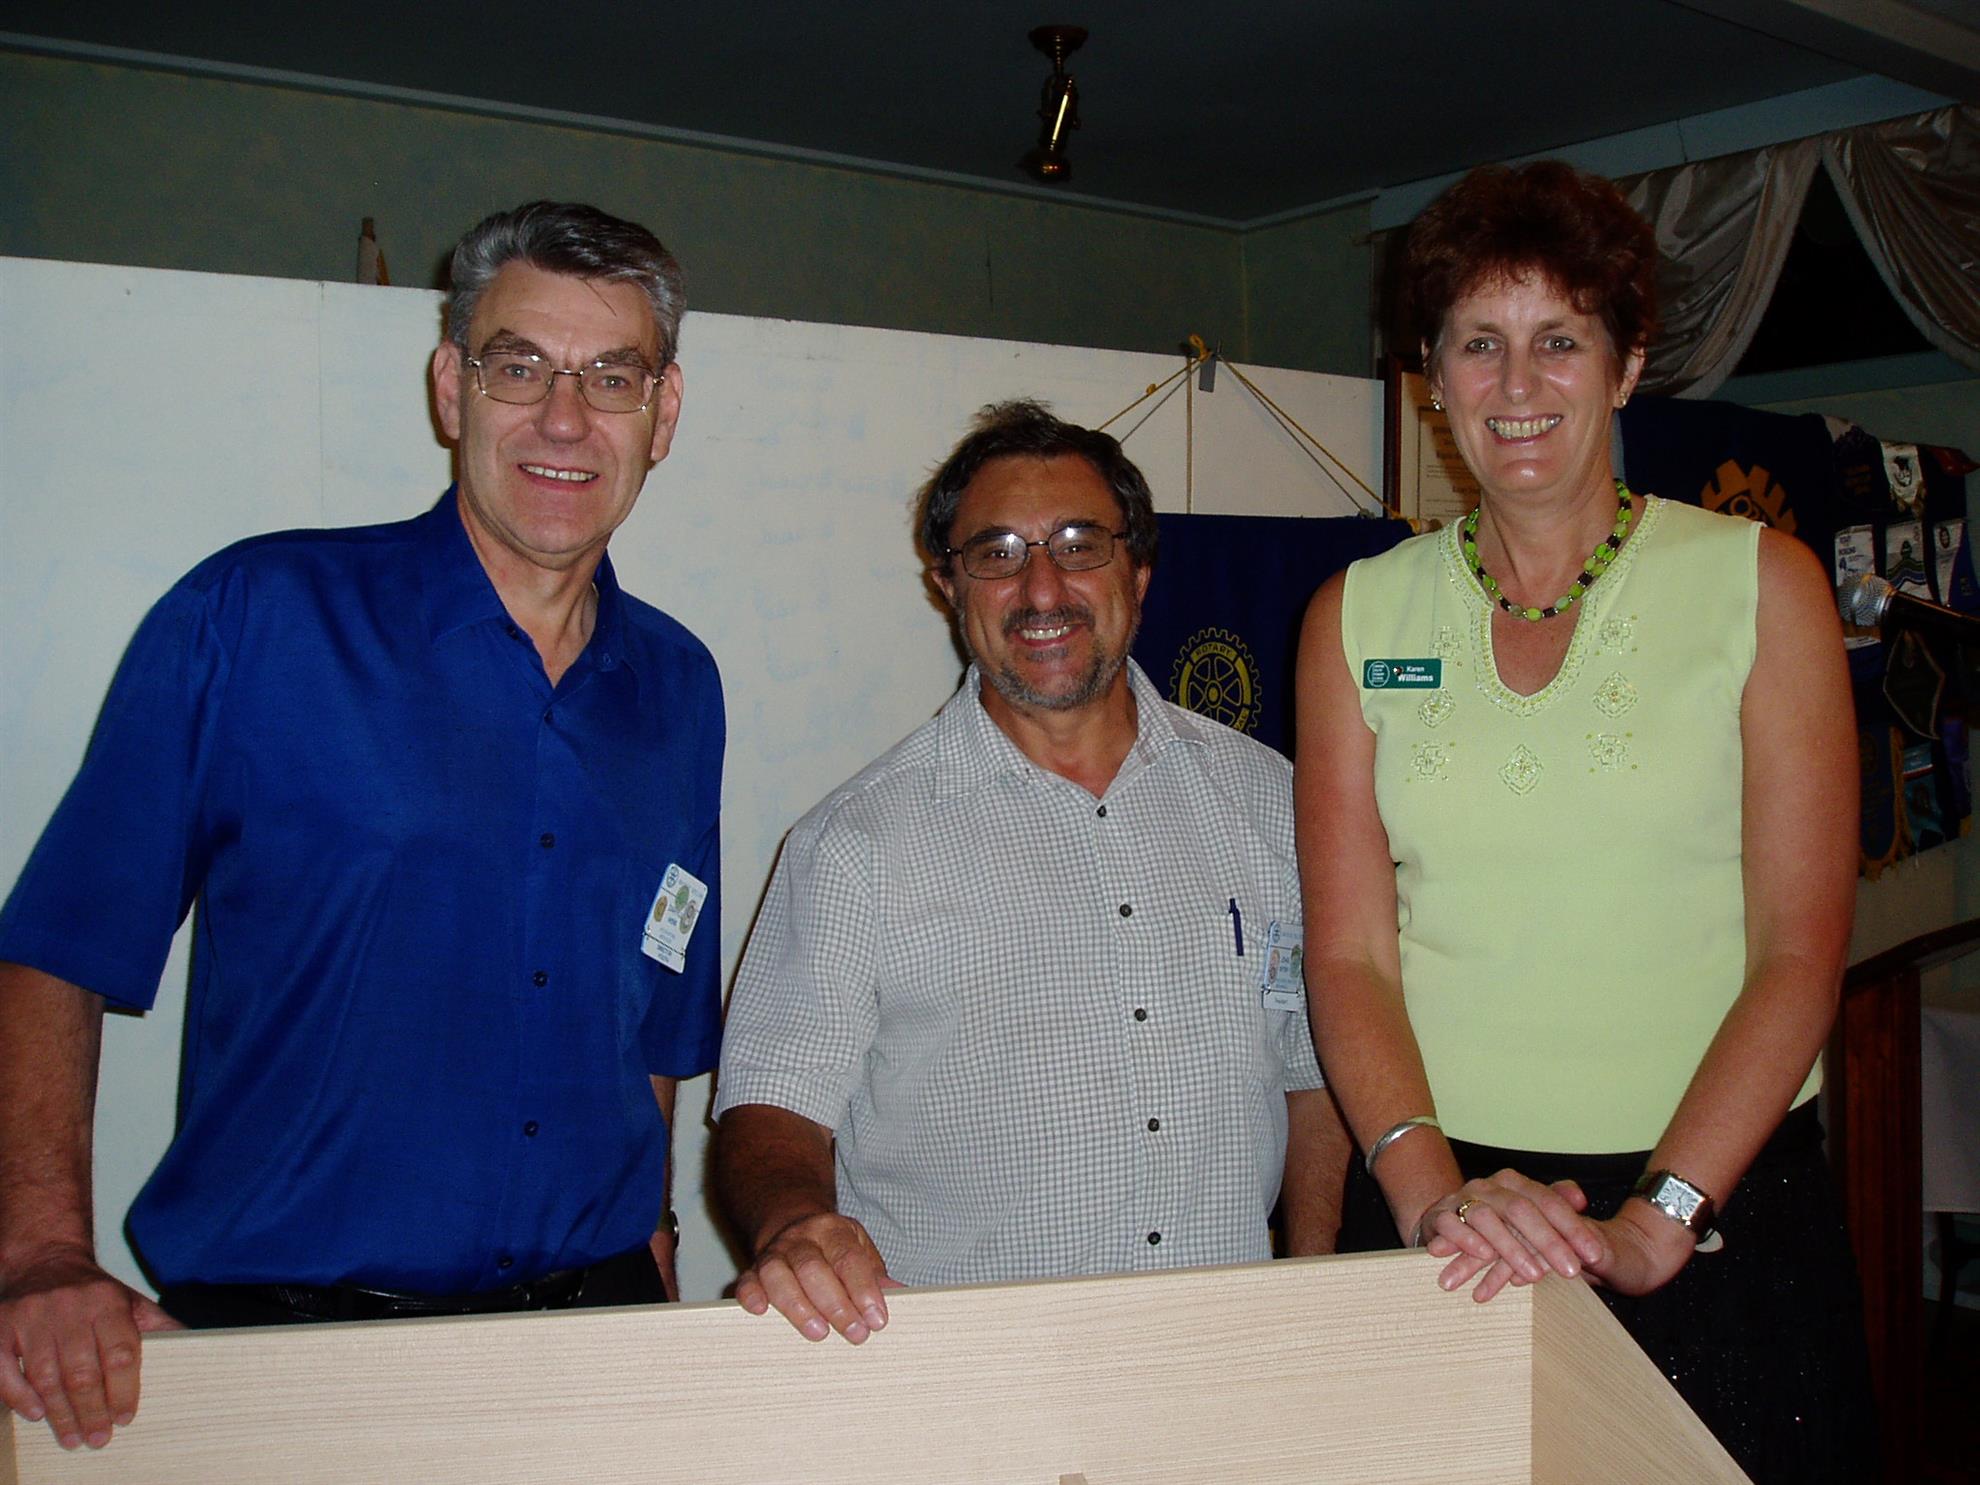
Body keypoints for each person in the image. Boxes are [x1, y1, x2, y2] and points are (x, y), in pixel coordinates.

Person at [0, 201, 723, 1450]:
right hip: (288, 1357)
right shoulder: (256, 616)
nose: (564, 419)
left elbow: (655, 1004)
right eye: (519, 367)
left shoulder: (680, 686)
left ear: (663, 413)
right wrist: (39, 1255)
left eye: (612, 377)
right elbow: (54, 949)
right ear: (451, 388)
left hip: (591, 1344)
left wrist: (653, 1234)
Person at [1294, 161, 1870, 1481]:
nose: (1517, 382)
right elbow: (1350, 955)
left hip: (1714, 1202)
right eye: (1477, 343)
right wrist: (1431, 1198)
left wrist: (1660, 1218)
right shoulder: (1355, 618)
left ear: (1626, 365)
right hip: (1448, 1206)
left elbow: (1799, 953)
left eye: (1560, 339)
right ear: (1430, 376)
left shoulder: (1760, 586)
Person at [711, 400, 1348, 1344]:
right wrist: (796, 1221)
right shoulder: (854, 845)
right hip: (969, 1381)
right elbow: (770, 1106)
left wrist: (1314, 1287)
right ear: (948, 585)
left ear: (1139, 569)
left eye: (1079, 545)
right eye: (998, 552)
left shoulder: (1271, 801)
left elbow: (1311, 1068)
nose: (1042, 588)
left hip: (1223, 1354)